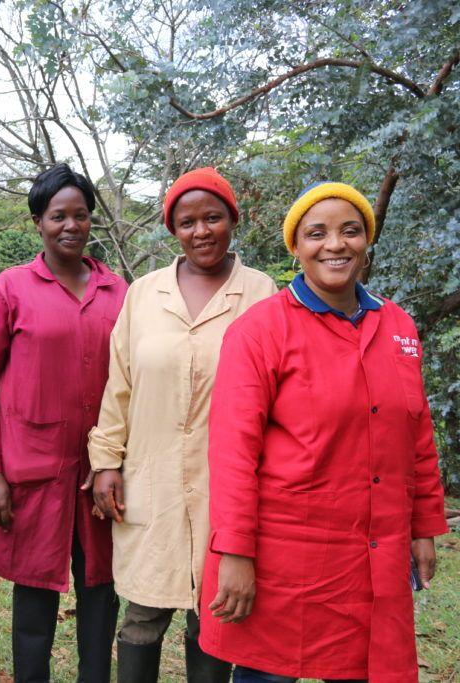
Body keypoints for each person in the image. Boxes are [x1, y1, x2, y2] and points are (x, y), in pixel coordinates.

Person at [200, 182, 449, 681]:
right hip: (284, 559)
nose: (335, 245)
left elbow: (417, 437)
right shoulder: (260, 331)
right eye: (317, 233)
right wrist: (234, 553)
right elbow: (232, 453)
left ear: (366, 240)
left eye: (349, 231)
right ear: (296, 246)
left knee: (362, 665)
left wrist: (423, 528)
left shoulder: (396, 324)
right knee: (268, 670)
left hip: (369, 552)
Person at [88, 167, 277, 682]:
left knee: (215, 616)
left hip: (230, 488)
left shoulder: (262, 294)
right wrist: (105, 460)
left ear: (232, 220)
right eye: (187, 221)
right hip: (153, 480)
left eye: (212, 218)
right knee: (143, 616)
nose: (201, 232)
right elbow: (119, 383)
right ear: (172, 228)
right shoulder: (144, 294)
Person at [0, 163, 128, 682]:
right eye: (59, 216)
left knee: (101, 596)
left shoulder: (118, 292)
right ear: (38, 222)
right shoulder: (10, 290)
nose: (71, 226)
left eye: (81, 215)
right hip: (32, 477)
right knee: (33, 604)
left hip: (101, 476)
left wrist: (117, 462)